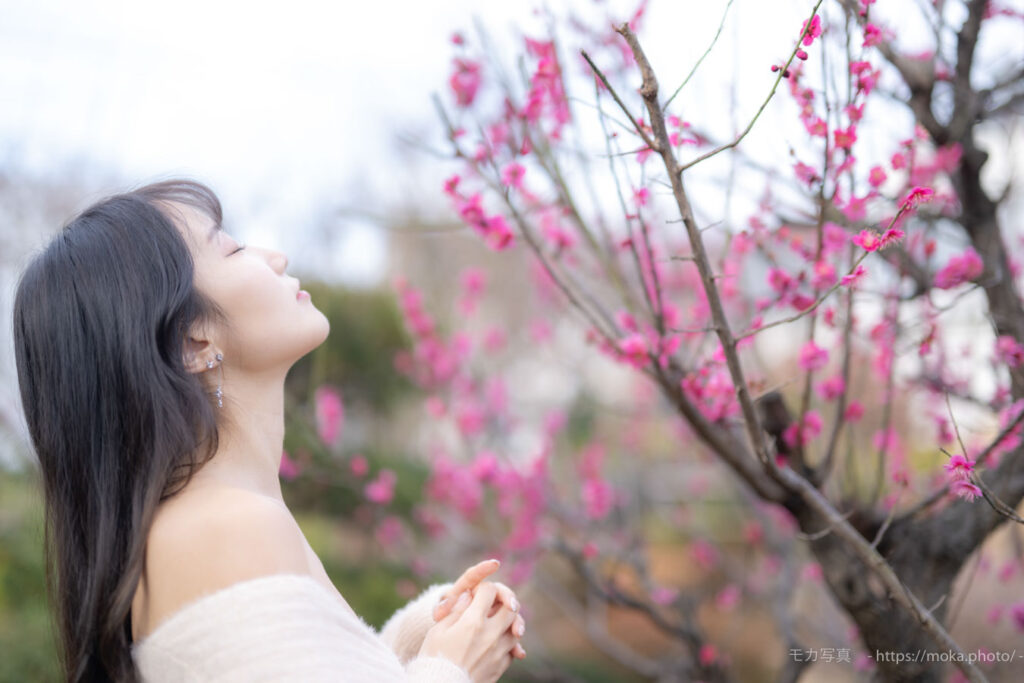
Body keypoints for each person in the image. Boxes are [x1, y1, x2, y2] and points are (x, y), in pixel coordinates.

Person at [12, 179, 527, 682]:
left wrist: (426, 635)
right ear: (192, 340)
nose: (275, 258)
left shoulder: (215, 521)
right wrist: (453, 668)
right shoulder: (226, 527)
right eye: (233, 251)